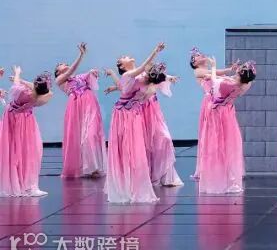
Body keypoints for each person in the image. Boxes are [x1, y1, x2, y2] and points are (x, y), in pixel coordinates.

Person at [105, 42, 165, 204]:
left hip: (134, 114)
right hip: (123, 114)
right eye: (123, 57)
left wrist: (163, 77)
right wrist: (155, 51)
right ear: (122, 65)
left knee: (135, 148)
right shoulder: (127, 74)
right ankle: (125, 184)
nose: (127, 56)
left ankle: (133, 183)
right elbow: (142, 69)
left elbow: (148, 80)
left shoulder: (138, 76)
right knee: (127, 148)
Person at [199, 59, 256, 195]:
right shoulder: (244, 85)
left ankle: (216, 178)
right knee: (229, 145)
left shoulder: (228, 84)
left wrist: (213, 67)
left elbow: (215, 82)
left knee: (216, 145)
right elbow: (228, 79)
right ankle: (227, 176)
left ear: (241, 73)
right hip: (228, 113)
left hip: (217, 114)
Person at [55, 42, 106, 179]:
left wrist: (92, 73)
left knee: (91, 134)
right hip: (76, 108)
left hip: (89, 105)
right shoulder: (60, 80)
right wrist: (81, 55)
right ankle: (83, 167)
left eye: (65, 63)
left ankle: (93, 166)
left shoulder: (80, 77)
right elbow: (71, 70)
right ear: (58, 72)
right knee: (78, 137)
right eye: (61, 65)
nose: (64, 64)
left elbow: (89, 78)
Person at [0, 68, 54, 197]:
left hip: (14, 118)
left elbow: (15, 86)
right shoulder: (39, 98)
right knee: (27, 150)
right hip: (25, 120)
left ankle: (20, 183)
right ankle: (26, 184)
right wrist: (23, 81)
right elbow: (47, 92)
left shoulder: (23, 92)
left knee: (17, 149)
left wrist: (18, 73)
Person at [189, 47, 240, 181]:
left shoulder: (207, 71)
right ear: (194, 63)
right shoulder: (197, 71)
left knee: (222, 133)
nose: (200, 55)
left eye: (199, 54)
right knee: (212, 133)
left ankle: (222, 165)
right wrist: (228, 73)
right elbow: (216, 74)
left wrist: (230, 70)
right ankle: (211, 166)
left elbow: (217, 74)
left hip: (218, 100)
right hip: (210, 101)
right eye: (196, 56)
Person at [140, 62, 184, 188]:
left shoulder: (153, 80)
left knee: (165, 138)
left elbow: (163, 78)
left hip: (154, 112)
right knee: (147, 144)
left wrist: (169, 78)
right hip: (143, 112)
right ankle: (148, 174)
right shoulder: (142, 79)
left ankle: (164, 175)